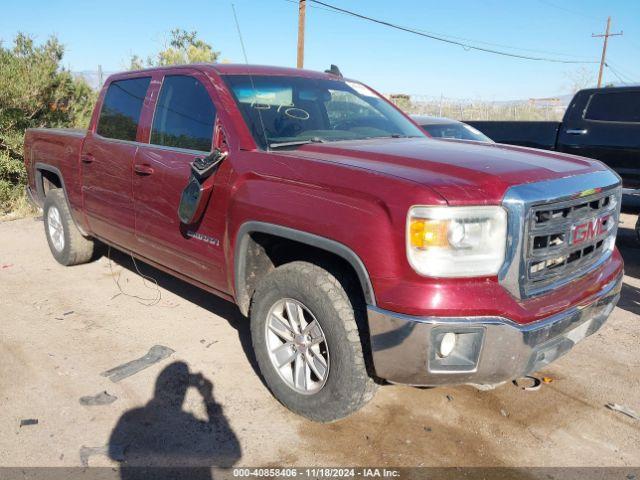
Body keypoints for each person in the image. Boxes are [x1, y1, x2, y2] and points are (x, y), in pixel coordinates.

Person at [108, 362, 241, 480]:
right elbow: (231, 458)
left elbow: (114, 453)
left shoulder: (131, 417)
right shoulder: (191, 424)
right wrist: (208, 397)